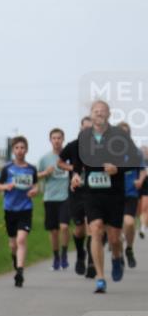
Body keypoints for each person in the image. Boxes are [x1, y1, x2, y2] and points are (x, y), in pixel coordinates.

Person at [66, 101, 139, 293]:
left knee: (115, 238)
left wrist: (118, 169)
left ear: (109, 114)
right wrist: (75, 174)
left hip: (114, 193)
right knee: (96, 229)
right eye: (95, 111)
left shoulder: (119, 136)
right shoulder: (85, 136)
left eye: (102, 111)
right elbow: (77, 161)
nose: (99, 114)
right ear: (91, 114)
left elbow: (135, 160)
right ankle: (100, 277)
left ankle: (116, 258)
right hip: (91, 192)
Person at [0, 137, 39, 287]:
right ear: (13, 150)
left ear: (26, 150)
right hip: (10, 209)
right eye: (17, 148)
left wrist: (34, 191)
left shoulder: (31, 169)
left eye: (22, 147)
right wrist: (6, 186)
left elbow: (36, 186)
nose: (20, 150)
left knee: (21, 240)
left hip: (25, 208)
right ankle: (15, 260)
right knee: (13, 244)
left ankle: (20, 271)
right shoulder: (7, 168)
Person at [58, 117, 94, 278]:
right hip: (76, 192)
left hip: (94, 192)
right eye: (85, 128)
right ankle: (81, 254)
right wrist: (72, 168)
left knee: (93, 228)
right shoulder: (73, 146)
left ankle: (92, 262)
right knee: (79, 230)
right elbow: (60, 162)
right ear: (81, 128)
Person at [37, 128, 71, 270]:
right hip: (50, 197)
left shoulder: (69, 156)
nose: (56, 141)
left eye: (59, 138)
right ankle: (56, 256)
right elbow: (36, 176)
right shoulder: (44, 159)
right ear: (50, 140)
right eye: (54, 138)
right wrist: (46, 172)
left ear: (63, 139)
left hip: (66, 197)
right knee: (54, 231)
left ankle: (64, 254)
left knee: (64, 227)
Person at [117, 122, 146, 267]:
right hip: (113, 194)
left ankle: (129, 248)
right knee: (116, 228)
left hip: (130, 193)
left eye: (126, 132)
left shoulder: (135, 152)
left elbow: (142, 169)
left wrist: (140, 180)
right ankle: (119, 254)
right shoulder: (110, 151)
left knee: (128, 223)